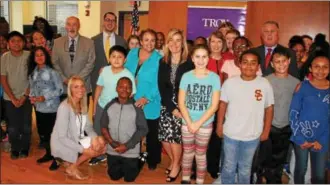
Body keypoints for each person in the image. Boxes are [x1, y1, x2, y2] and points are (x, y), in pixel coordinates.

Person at [215, 50, 274, 184]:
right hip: (231, 134)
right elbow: (222, 105)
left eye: (253, 63)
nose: (249, 66)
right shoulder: (230, 83)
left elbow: (269, 108)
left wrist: (266, 130)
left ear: (258, 66)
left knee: (245, 168)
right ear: (239, 65)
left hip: (252, 135)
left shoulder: (264, 84)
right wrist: (219, 126)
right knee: (229, 167)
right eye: (245, 63)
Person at [179, 44, 221, 184]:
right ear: (192, 58)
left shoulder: (214, 78)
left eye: (204, 57)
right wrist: (190, 123)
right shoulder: (186, 77)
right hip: (187, 123)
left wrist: (198, 123)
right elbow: (181, 103)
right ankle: (185, 179)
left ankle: (199, 181)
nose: (201, 60)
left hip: (205, 124)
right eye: (197, 56)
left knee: (201, 154)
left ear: (208, 58)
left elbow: (214, 106)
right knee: (188, 153)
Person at [50, 76, 106, 180]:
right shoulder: (64, 107)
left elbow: (88, 126)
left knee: (100, 142)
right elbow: (62, 137)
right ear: (70, 89)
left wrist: (93, 138)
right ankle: (71, 165)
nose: (80, 89)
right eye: (76, 87)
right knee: (93, 151)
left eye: (81, 86)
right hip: (63, 143)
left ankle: (72, 166)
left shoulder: (82, 104)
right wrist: (83, 150)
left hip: (77, 138)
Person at [90, 45, 136, 165]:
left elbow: (131, 95)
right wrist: (94, 108)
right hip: (101, 106)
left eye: (120, 57)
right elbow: (99, 89)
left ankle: (111, 153)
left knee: (112, 132)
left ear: (125, 60)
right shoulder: (104, 70)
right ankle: (99, 154)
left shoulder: (127, 75)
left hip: (115, 109)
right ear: (109, 58)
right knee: (98, 130)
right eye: (113, 56)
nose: (116, 59)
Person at [158, 29, 193, 182]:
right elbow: (162, 86)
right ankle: (174, 161)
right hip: (166, 103)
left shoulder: (189, 63)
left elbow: (190, 87)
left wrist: (179, 108)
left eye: (178, 40)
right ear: (167, 44)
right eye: (171, 40)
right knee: (164, 137)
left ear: (182, 43)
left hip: (182, 105)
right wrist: (171, 107)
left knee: (174, 138)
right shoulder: (163, 61)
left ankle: (176, 166)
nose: (174, 44)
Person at [125, 29, 163, 170]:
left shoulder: (159, 58)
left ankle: (153, 159)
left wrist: (147, 98)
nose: (149, 43)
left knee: (151, 132)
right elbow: (125, 71)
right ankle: (134, 156)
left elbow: (160, 82)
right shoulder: (132, 53)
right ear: (141, 41)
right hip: (131, 98)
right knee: (134, 130)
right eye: (146, 40)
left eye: (152, 40)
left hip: (150, 101)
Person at [260, 47, 300, 183]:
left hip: (286, 126)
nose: (281, 64)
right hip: (268, 126)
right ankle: (261, 178)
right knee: (265, 157)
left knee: (280, 158)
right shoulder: (265, 81)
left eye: (284, 61)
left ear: (289, 61)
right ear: (272, 64)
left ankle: (275, 180)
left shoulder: (296, 83)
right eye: (277, 62)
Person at [289, 54, 329, 184]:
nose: (320, 70)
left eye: (325, 67)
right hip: (301, 137)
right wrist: (300, 138)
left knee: (319, 176)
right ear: (310, 69)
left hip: (322, 138)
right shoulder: (302, 87)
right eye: (317, 66)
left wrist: (322, 140)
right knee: (300, 170)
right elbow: (293, 113)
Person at [101, 77, 148, 182]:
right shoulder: (109, 105)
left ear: (131, 90)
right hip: (113, 149)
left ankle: (141, 159)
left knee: (129, 179)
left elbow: (143, 129)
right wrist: (112, 143)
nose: (125, 89)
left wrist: (127, 146)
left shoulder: (137, 108)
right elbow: (103, 126)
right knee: (114, 176)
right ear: (116, 88)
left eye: (128, 87)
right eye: (121, 87)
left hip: (131, 150)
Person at [27, 46, 63, 165]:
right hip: (39, 108)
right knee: (44, 133)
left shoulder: (53, 72)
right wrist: (32, 97)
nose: (39, 57)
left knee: (54, 133)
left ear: (46, 57)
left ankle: (57, 158)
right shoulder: (32, 73)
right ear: (33, 58)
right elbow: (32, 88)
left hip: (52, 108)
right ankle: (49, 154)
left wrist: (45, 97)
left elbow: (60, 90)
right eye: (37, 55)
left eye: (42, 55)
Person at [1, 31, 32, 159]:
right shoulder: (4, 57)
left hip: (27, 96)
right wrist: (13, 98)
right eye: (12, 41)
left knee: (26, 125)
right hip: (10, 98)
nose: (16, 43)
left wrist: (24, 96)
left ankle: (25, 148)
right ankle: (15, 148)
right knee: (13, 126)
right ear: (8, 44)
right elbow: (3, 79)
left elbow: (33, 78)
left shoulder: (29, 55)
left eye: (19, 41)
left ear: (24, 43)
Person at [52, 16, 95, 104]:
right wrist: (64, 79)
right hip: (64, 88)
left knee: (81, 115)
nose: (71, 28)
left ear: (79, 26)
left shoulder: (89, 43)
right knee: (64, 115)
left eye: (74, 24)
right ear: (65, 27)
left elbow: (91, 63)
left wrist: (77, 81)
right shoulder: (57, 42)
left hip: (82, 88)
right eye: (69, 24)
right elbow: (54, 63)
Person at [91, 12, 127, 98]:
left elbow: (125, 61)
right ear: (103, 22)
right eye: (108, 20)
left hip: (116, 81)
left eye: (113, 21)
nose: (110, 23)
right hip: (98, 80)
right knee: (98, 107)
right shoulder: (93, 40)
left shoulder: (122, 41)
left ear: (115, 24)